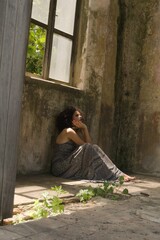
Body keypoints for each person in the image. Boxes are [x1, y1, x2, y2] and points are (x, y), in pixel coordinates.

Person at [51, 106, 135, 182]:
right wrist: (84, 128)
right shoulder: (68, 131)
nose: (80, 117)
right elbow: (87, 147)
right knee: (89, 147)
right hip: (60, 167)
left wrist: (85, 129)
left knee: (94, 147)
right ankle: (115, 176)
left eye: (80, 115)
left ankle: (118, 174)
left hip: (68, 164)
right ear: (70, 118)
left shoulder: (75, 132)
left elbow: (90, 146)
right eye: (76, 115)